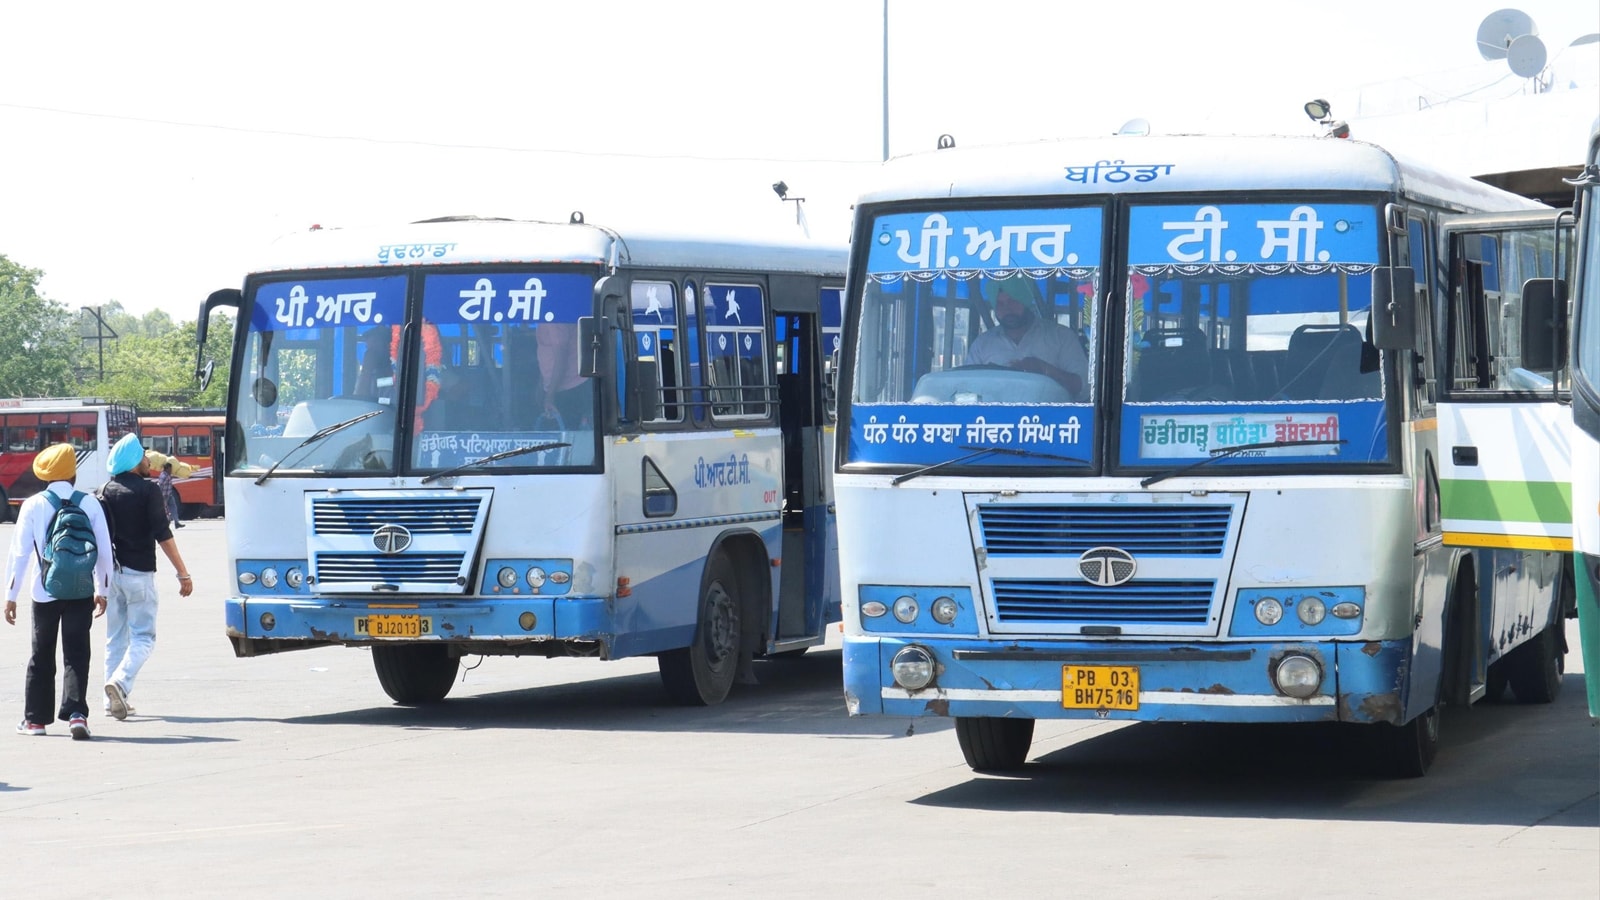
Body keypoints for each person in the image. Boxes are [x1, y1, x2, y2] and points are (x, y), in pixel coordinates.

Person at [4, 443, 113, 740]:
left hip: (44, 591)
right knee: (77, 653)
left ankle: (35, 721)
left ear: (44, 476)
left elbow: (20, 554)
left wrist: (10, 596)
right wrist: (102, 589)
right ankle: (77, 714)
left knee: (41, 655)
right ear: (73, 473)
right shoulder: (90, 503)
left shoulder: (33, 504)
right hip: (80, 591)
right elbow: (104, 551)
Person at [98, 435, 193, 721]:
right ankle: (120, 683)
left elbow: (101, 540)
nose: (147, 460)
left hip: (112, 575)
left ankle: (109, 700)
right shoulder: (147, 491)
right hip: (139, 575)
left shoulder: (105, 490)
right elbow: (163, 534)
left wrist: (98, 583)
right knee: (143, 637)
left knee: (115, 638)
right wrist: (183, 573)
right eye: (143, 457)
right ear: (132, 462)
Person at [964, 273, 1088, 399]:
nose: (1007, 309)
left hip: (1050, 417)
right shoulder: (982, 344)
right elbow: (966, 390)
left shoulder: (1061, 337)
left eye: (1013, 300)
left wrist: (1045, 370)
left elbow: (1084, 389)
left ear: (1026, 300)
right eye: (1000, 303)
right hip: (995, 418)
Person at [536, 322, 593, 429]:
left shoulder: (555, 319)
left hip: (570, 389)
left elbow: (561, 357)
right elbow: (547, 354)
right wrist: (542, 384)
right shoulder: (545, 316)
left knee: (568, 437)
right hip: (554, 387)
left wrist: (549, 397)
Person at [157, 461, 183, 528]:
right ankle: (166, 523)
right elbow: (159, 485)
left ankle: (176, 522)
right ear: (167, 468)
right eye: (170, 469)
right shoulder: (163, 476)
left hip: (169, 495)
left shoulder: (168, 475)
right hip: (164, 496)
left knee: (173, 508)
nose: (171, 470)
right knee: (164, 510)